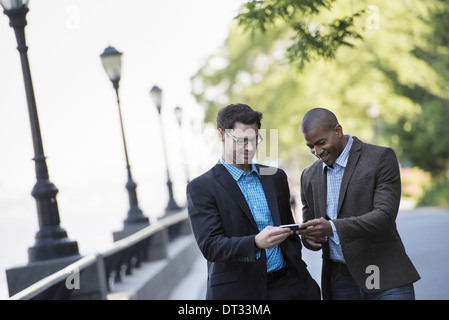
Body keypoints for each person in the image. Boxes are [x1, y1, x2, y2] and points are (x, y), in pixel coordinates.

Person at [187, 103, 320, 300]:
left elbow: (287, 227)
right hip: (239, 293)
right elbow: (211, 246)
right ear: (222, 135)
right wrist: (255, 243)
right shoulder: (201, 187)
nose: (249, 147)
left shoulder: (276, 177)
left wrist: (305, 237)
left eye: (254, 139)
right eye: (241, 140)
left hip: (289, 286)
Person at [297, 107, 420, 300]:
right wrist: (309, 238)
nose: (317, 151)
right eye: (311, 146)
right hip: (339, 280)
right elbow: (310, 224)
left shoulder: (380, 158)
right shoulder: (308, 176)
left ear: (337, 131)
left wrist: (332, 227)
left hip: (383, 272)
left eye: (321, 143)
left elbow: (384, 216)